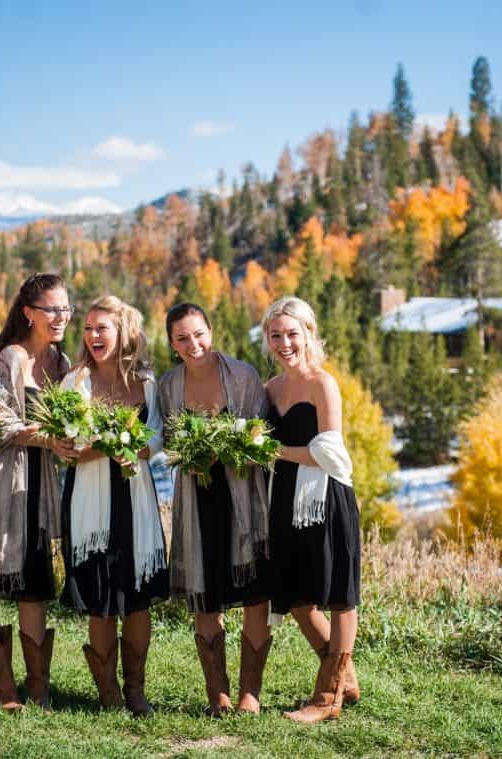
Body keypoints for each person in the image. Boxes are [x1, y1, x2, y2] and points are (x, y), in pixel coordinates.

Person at [0, 273, 73, 711]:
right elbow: (0, 420)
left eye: (66, 308)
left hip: (42, 481)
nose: (62, 317)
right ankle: (3, 684)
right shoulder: (11, 356)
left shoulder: (61, 364)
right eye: (53, 309)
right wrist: (48, 438)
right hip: (4, 481)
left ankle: (38, 685)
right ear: (29, 313)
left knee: (34, 584)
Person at [157, 303, 273, 716]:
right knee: (206, 597)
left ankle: (249, 694)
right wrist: (189, 455)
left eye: (198, 334)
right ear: (172, 344)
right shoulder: (169, 385)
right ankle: (217, 693)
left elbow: (262, 434)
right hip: (197, 498)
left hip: (244, 498)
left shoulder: (242, 375)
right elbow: (169, 441)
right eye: (182, 338)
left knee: (254, 594)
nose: (194, 344)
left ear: (211, 330)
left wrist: (238, 449)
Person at [59, 295, 169, 717]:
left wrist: (139, 448)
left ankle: (135, 690)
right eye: (87, 329)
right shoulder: (76, 384)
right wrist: (107, 447)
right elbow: (68, 450)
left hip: (136, 498)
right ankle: (106, 691)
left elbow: (157, 436)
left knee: (138, 598)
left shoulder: (146, 384)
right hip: (90, 501)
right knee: (102, 597)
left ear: (124, 332)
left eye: (101, 328)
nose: (92, 336)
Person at [261, 296, 361, 724]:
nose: (285, 342)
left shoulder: (324, 384)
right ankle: (345, 678)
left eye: (292, 334)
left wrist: (270, 449)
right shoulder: (271, 390)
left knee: (338, 596)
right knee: (297, 595)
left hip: (326, 500)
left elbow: (329, 453)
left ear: (309, 335)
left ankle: (327, 698)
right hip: (285, 499)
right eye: (276, 335)